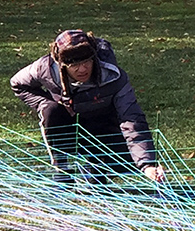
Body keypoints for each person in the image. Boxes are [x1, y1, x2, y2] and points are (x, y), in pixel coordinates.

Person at [10, 29, 165, 184]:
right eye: (74, 65)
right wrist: (45, 102)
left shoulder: (114, 77)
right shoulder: (45, 69)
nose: (82, 69)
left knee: (128, 163)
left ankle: (96, 168)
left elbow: (131, 118)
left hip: (103, 123)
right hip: (69, 124)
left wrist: (147, 165)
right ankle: (62, 169)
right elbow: (17, 83)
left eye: (87, 62)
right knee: (51, 110)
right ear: (62, 64)